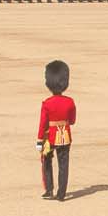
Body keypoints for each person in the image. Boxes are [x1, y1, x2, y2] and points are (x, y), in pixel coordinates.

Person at [37, 60, 76, 200]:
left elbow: (42, 124)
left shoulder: (47, 103)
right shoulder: (70, 101)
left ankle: (49, 189)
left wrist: (39, 140)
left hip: (50, 137)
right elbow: (72, 121)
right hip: (65, 135)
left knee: (46, 161)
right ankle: (61, 194)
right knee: (63, 165)